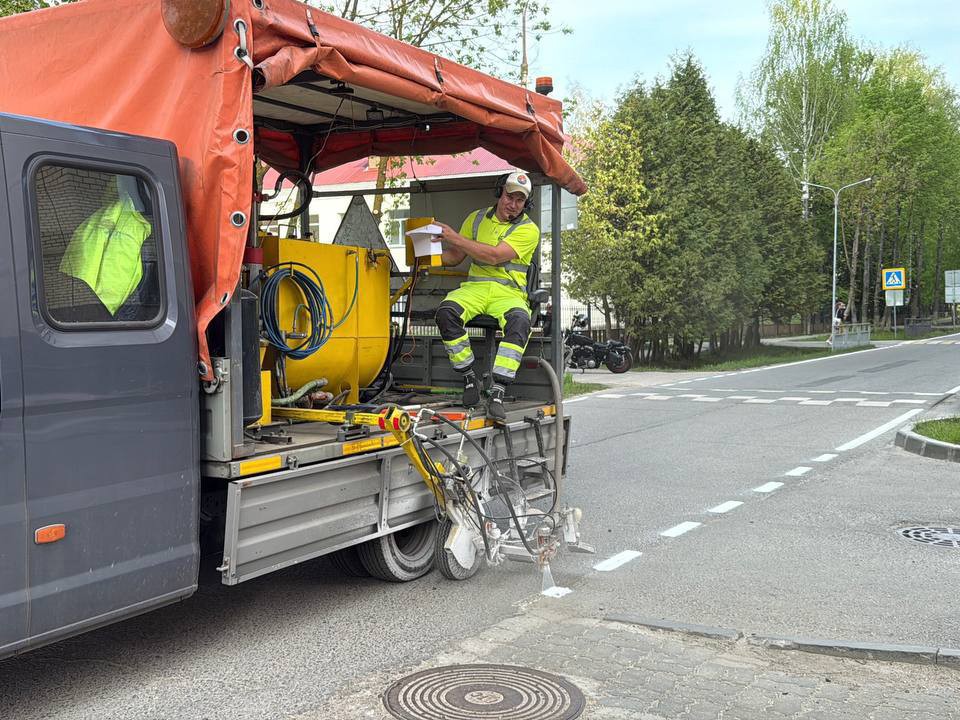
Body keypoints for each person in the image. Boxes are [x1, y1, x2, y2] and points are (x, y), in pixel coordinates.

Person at [434, 171, 539, 422]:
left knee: (520, 322)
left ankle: (498, 391)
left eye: (519, 200)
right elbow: (455, 257)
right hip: (475, 289)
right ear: (499, 192)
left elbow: (494, 255)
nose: (512, 204)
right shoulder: (476, 218)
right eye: (509, 196)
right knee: (445, 312)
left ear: (526, 204)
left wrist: (455, 238)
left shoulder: (528, 230)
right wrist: (424, 256)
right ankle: (469, 377)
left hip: (508, 293)